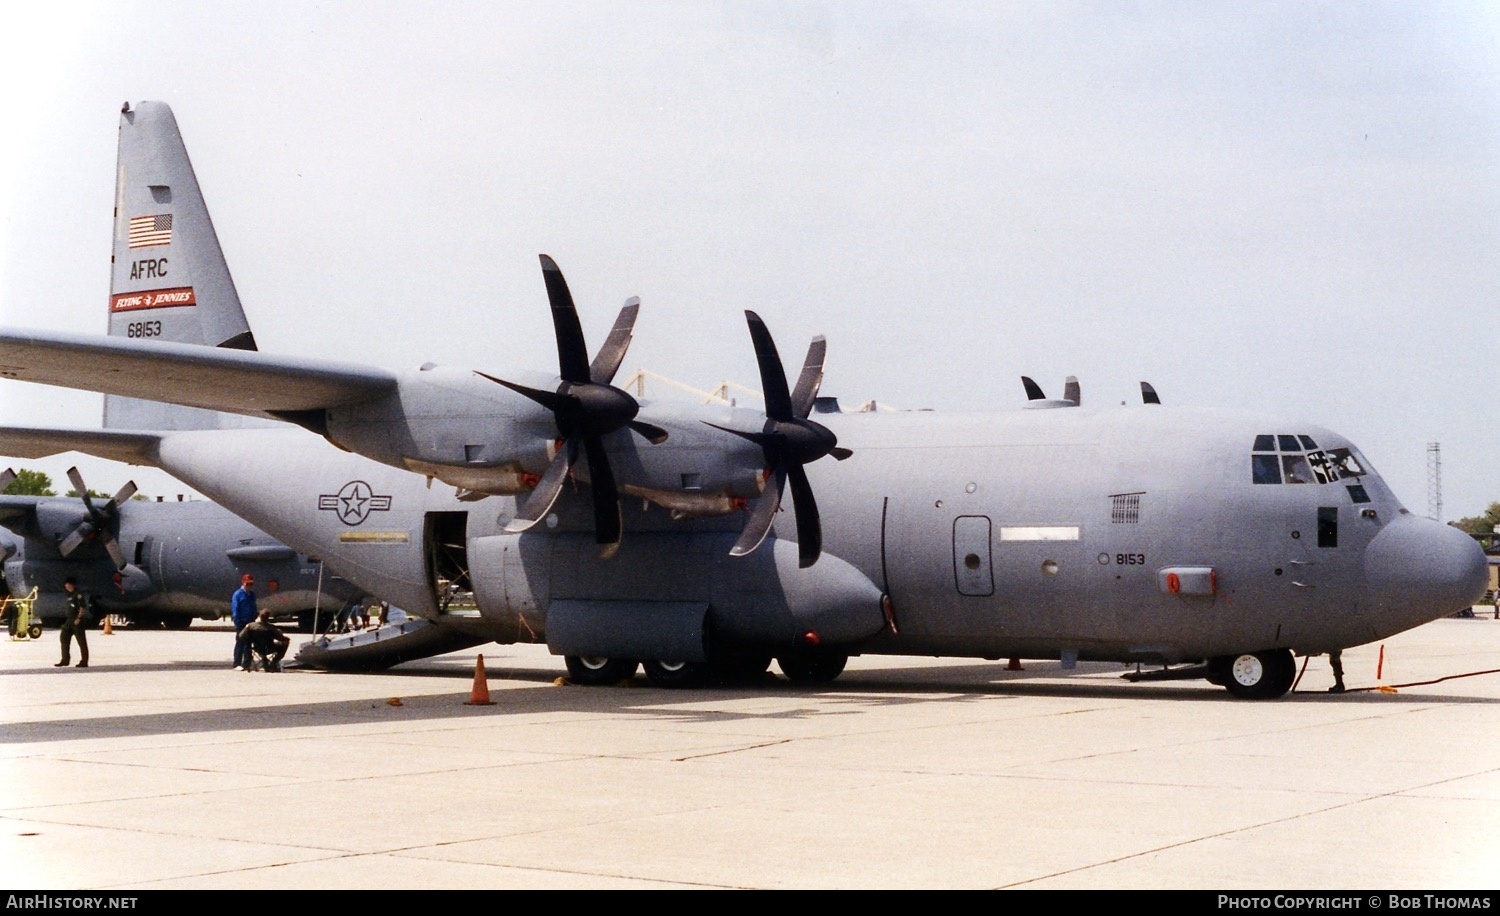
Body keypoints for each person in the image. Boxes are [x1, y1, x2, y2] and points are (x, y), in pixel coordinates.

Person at [56, 578, 89, 668]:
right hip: (69, 620)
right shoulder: (69, 595)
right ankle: (65, 660)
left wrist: (79, 618)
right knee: (64, 638)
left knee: (81, 642)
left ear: (72, 585)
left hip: (77, 620)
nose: (67, 587)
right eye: (66, 586)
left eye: (69, 586)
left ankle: (84, 661)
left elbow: (82, 608)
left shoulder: (78, 595)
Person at [231, 573, 258, 671]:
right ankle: (236, 663)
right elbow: (235, 608)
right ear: (243, 583)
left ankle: (247, 663)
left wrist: (254, 617)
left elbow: (254, 606)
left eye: (251, 584)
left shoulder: (252, 594)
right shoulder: (238, 594)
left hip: (250, 622)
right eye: (247, 584)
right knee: (240, 642)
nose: (249, 586)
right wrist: (237, 621)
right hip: (241, 621)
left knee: (248, 643)